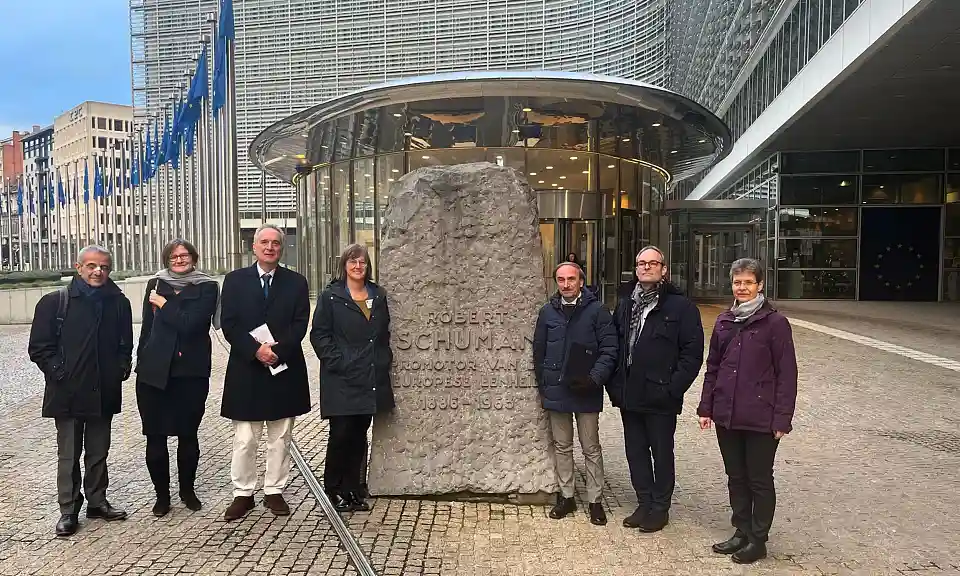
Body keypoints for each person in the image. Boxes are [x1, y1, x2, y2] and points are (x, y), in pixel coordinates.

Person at [697, 258, 797, 564]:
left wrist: (782, 419)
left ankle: (758, 539)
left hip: (761, 417)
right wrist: (706, 407)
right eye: (737, 282)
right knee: (736, 476)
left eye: (748, 282)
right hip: (727, 414)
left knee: (759, 479)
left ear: (760, 285)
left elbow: (787, 374)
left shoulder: (775, 324)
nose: (742, 288)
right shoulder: (725, 321)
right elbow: (713, 368)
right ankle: (741, 530)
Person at [28, 246, 133, 537]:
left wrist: (121, 368)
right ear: (79, 267)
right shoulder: (55, 302)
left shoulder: (119, 302)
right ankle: (68, 510)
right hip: (67, 391)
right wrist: (60, 373)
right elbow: (39, 347)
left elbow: (125, 343)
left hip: (103, 390)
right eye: (92, 266)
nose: (98, 271)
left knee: (98, 452)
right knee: (69, 455)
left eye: (104, 267)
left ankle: (97, 502)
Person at [219, 224, 311, 521]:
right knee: (245, 438)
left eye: (275, 243)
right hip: (246, 368)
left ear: (281, 248)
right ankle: (243, 493)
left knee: (280, 436)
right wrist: (256, 350)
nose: (270, 247)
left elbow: (300, 324)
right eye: (264, 242)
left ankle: (274, 490)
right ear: (254, 246)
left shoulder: (296, 282)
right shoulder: (234, 281)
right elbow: (229, 324)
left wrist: (276, 352)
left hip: (284, 367)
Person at [609, 246, 703, 533]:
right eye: (641, 263)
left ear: (664, 269)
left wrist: (673, 389)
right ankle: (644, 502)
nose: (646, 267)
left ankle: (660, 508)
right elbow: (614, 344)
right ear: (636, 268)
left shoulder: (681, 307)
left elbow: (692, 354)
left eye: (653, 263)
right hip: (630, 394)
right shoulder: (626, 303)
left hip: (661, 395)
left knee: (661, 453)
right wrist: (615, 384)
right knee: (635, 452)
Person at [135, 239, 219, 517]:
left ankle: (187, 491)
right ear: (166, 260)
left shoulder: (207, 286)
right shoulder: (155, 283)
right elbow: (147, 327)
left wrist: (163, 304)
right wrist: (141, 359)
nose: (180, 260)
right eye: (174, 256)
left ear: (194, 258)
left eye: (184, 255)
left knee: (188, 434)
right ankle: (162, 496)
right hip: (153, 372)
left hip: (190, 372)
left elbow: (191, 325)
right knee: (154, 436)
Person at [310, 244, 395, 513]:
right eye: (353, 262)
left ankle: (353, 489)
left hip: (369, 376)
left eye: (363, 262)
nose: (358, 267)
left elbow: (383, 334)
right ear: (344, 265)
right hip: (342, 378)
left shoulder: (378, 295)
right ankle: (333, 489)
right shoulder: (331, 296)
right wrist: (338, 361)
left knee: (359, 435)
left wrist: (383, 359)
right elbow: (319, 334)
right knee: (341, 434)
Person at [533, 262, 618, 526]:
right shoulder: (547, 312)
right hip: (556, 388)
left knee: (590, 447)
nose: (566, 284)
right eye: (561, 279)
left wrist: (594, 379)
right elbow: (538, 352)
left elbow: (610, 350)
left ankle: (595, 500)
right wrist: (544, 386)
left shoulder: (597, 311)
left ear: (581, 281)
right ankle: (567, 496)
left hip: (587, 388)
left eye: (571, 279)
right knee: (562, 446)